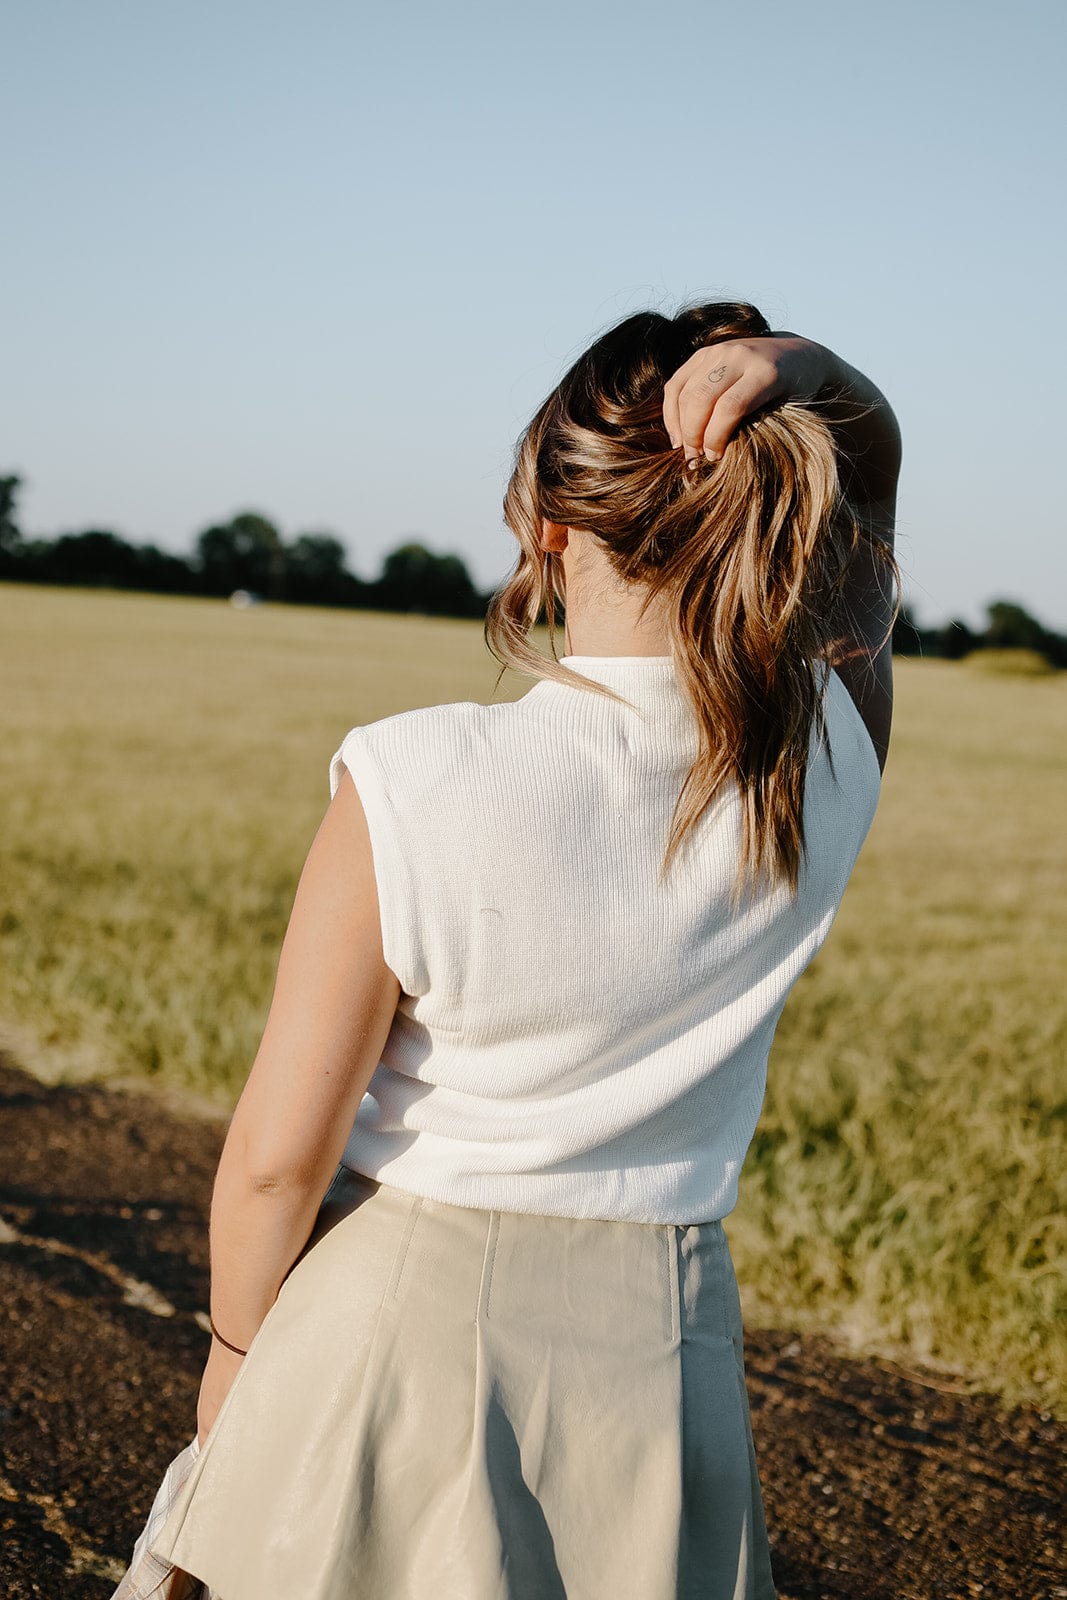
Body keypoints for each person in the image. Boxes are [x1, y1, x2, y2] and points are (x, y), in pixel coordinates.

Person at [111, 299, 901, 1600]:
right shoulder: (822, 758)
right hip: (671, 1360)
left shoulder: (417, 773)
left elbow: (272, 1166)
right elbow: (872, 486)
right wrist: (800, 371)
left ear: (549, 520)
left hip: (390, 1351)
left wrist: (235, 1375)